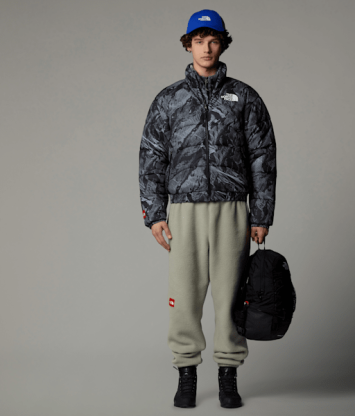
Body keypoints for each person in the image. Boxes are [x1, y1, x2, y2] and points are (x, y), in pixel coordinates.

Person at [139, 9, 276, 409]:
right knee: (184, 295)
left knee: (231, 296)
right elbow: (151, 156)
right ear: (188, 45)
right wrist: (154, 213)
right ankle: (186, 375)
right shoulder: (169, 99)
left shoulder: (245, 97)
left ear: (222, 44)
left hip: (233, 209)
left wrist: (261, 213)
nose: (206, 48)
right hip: (184, 210)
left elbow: (262, 156)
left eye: (213, 40)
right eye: (199, 41)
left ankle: (228, 375)